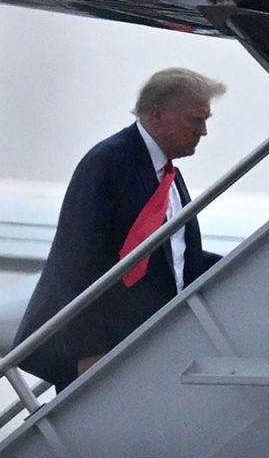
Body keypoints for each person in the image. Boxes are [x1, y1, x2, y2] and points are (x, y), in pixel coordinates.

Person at [12, 67, 226, 391]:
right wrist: (89, 349)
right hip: (107, 352)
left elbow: (177, 256)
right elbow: (77, 261)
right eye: (195, 120)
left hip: (150, 346)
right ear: (157, 115)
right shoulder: (108, 163)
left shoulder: (168, 176)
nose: (203, 131)